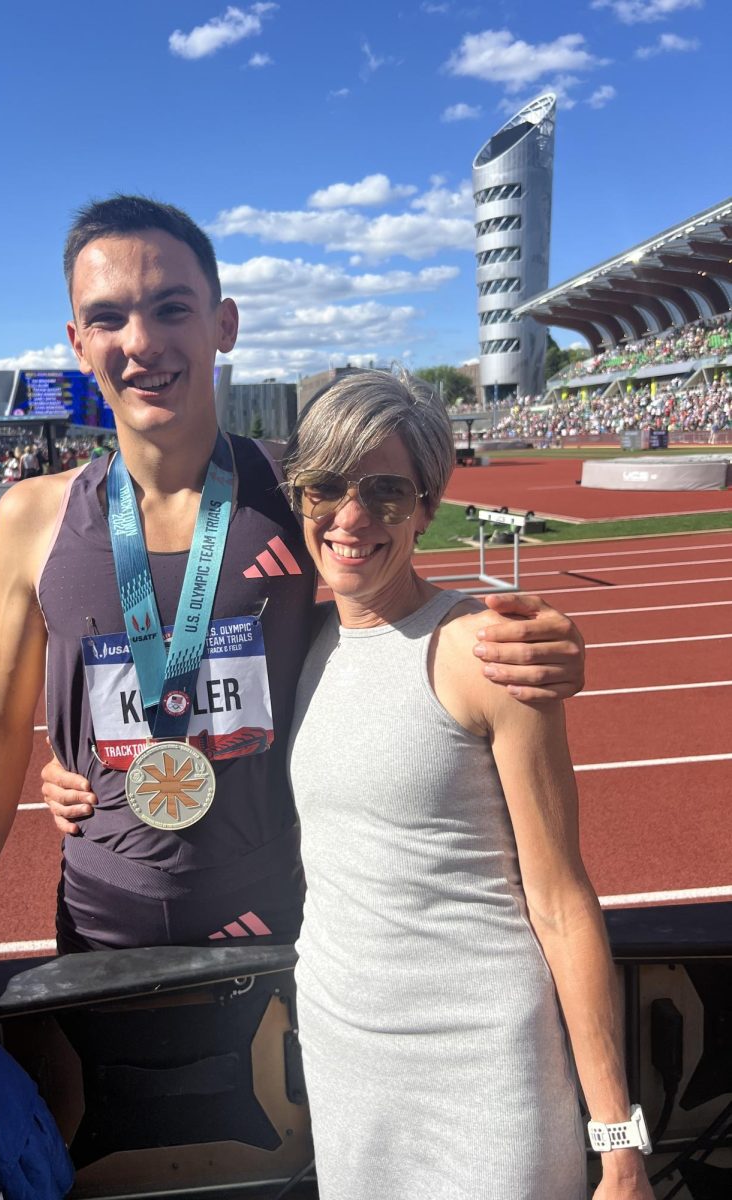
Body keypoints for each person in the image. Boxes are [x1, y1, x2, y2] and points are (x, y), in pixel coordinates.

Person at [0, 196, 585, 1039]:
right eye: (109, 318)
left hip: (276, 909)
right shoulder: (33, 517)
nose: (141, 342)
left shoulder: (296, 493)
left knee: (276, 1154)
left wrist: (525, 639)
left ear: (224, 324)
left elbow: (398, 612)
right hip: (100, 910)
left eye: (172, 307)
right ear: (77, 343)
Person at [279, 370, 652, 1200]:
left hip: (487, 1071)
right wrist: (70, 772)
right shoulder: (292, 643)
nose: (350, 517)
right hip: (347, 1062)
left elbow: (560, 900)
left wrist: (620, 1148)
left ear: (425, 505)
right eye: (327, 486)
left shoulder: (487, 651)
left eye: (384, 491)